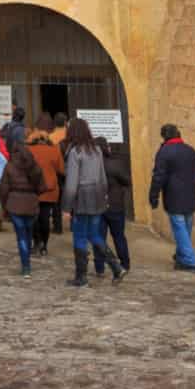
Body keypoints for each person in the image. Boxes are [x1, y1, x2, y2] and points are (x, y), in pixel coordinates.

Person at [61, 117, 124, 286]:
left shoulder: (75, 152)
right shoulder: (97, 150)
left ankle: (81, 277)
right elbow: (103, 178)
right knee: (94, 234)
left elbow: (72, 183)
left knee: (80, 237)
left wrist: (66, 207)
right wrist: (104, 197)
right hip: (97, 197)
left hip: (82, 199)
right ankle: (116, 267)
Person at [149, 123, 195, 272]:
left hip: (174, 196)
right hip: (190, 195)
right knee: (185, 229)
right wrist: (189, 182)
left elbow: (158, 176)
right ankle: (180, 257)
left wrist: (153, 196)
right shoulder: (190, 150)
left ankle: (190, 262)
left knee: (180, 230)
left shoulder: (164, 152)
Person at [0, 124, 43, 277]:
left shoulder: (9, 166)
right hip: (31, 204)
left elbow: (3, 189)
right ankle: (27, 261)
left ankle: (26, 266)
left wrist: (5, 206)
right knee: (28, 234)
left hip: (15, 204)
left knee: (21, 236)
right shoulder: (34, 166)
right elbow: (41, 185)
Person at [26, 117, 63, 257]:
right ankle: (44, 246)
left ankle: (36, 242)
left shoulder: (28, 149)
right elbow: (61, 170)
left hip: (32, 189)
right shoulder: (54, 150)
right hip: (49, 189)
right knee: (45, 218)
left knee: (33, 217)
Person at [95, 136, 132, 273]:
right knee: (119, 236)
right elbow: (127, 181)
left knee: (99, 237)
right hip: (115, 204)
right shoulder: (115, 164)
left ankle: (99, 267)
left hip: (98, 205)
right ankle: (125, 264)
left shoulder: (92, 166)